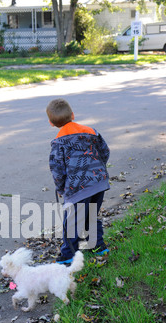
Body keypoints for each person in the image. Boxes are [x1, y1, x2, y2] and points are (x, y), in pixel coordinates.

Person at [46, 98, 110, 264]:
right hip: (99, 183)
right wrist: (98, 171)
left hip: (77, 188)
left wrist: (61, 189)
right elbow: (105, 152)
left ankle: (68, 256)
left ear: (51, 123)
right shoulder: (91, 132)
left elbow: (57, 170)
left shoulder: (58, 142)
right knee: (90, 214)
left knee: (73, 221)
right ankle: (98, 246)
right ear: (73, 115)